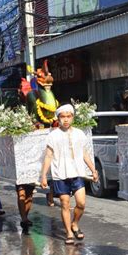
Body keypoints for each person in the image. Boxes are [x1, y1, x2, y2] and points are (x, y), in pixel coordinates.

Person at [40, 104, 98, 245]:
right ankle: (69, 233)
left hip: (77, 173)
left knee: (81, 203)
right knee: (65, 204)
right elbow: (48, 156)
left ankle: (75, 223)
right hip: (60, 174)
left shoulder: (79, 133)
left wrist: (93, 170)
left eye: (68, 116)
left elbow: (84, 153)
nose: (66, 119)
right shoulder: (53, 136)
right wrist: (43, 176)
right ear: (58, 118)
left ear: (72, 117)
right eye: (62, 117)